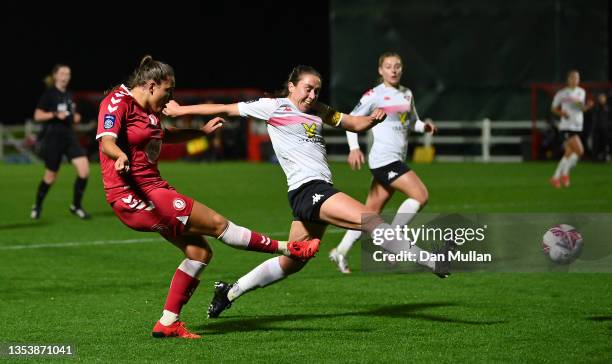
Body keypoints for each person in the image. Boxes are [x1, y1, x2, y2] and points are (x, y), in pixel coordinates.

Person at [163, 65, 454, 319]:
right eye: (307, 89)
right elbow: (226, 108)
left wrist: (373, 121)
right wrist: (180, 111)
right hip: (309, 189)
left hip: (311, 193)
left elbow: (353, 122)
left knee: (293, 262)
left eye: (316, 90)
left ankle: (229, 292)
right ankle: (430, 260)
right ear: (291, 86)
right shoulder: (273, 106)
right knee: (370, 221)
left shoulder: (319, 110)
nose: (312, 95)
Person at [97, 56, 320, 339]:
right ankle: (289, 248)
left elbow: (160, 135)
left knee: (199, 253)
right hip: (135, 195)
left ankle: (168, 322)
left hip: (154, 189)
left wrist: (199, 133)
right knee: (217, 224)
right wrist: (119, 157)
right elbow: (106, 141)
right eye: (168, 91)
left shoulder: (150, 109)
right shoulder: (118, 102)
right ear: (151, 85)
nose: (170, 98)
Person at [329, 52, 437, 273]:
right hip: (383, 160)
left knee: (369, 214)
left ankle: (340, 251)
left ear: (402, 69)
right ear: (381, 70)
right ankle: (392, 244)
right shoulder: (374, 95)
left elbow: (412, 122)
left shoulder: (407, 94)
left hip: (395, 159)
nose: (394, 70)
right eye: (388, 66)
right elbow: (350, 119)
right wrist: (354, 148)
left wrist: (424, 127)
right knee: (420, 195)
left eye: (397, 66)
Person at [31, 64, 91, 220]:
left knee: (84, 171)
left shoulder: (70, 95)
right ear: (56, 75)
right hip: (53, 139)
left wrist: (75, 117)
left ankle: (76, 206)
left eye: (68, 73)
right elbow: (37, 116)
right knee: (50, 177)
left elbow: (73, 114)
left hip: (69, 137)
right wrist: (55, 114)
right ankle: (37, 205)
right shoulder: (49, 95)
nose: (66, 76)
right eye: (63, 73)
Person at [549, 70, 594, 188]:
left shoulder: (581, 92)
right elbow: (553, 108)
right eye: (573, 78)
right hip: (566, 127)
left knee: (568, 154)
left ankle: (556, 177)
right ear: (568, 79)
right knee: (580, 151)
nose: (575, 80)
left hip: (577, 126)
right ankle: (564, 174)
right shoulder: (562, 93)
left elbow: (580, 108)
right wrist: (561, 113)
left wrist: (587, 107)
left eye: (577, 78)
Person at [590, 92, 611, 161]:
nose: (602, 99)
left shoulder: (608, 108)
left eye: (603, 98)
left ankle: (604, 157)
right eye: (600, 98)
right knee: (595, 143)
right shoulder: (595, 107)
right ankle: (594, 157)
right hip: (596, 128)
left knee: (604, 143)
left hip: (605, 129)